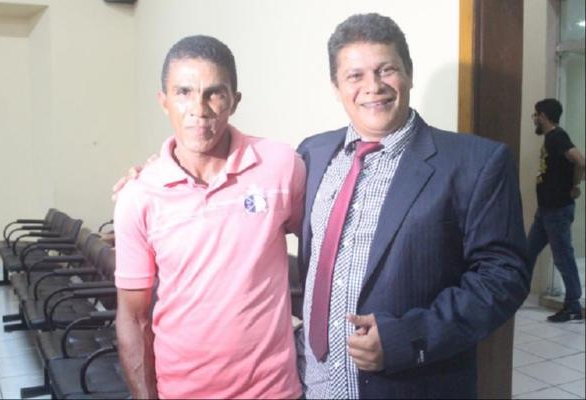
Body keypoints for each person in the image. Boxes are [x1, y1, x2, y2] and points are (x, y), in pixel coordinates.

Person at [295, 14, 530, 399]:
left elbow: (504, 277)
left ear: (409, 73)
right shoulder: (312, 153)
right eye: (355, 76)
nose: (373, 87)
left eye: (386, 70)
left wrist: (409, 338)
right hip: (315, 384)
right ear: (336, 87)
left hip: (412, 385)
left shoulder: (475, 163)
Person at [113, 35, 304, 399]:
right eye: (183, 92)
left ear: (234, 101)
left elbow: (327, 244)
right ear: (164, 101)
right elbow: (133, 318)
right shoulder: (138, 196)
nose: (198, 109)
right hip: (182, 391)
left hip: (274, 391)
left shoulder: (281, 166)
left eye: (214, 93)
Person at [527, 98, 585, 323]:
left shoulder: (557, 137)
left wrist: (575, 185)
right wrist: (574, 184)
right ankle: (515, 293)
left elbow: (580, 161)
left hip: (557, 210)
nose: (534, 119)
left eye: (535, 115)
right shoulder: (552, 138)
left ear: (543, 116)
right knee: (528, 252)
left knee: (563, 258)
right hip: (546, 210)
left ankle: (573, 306)